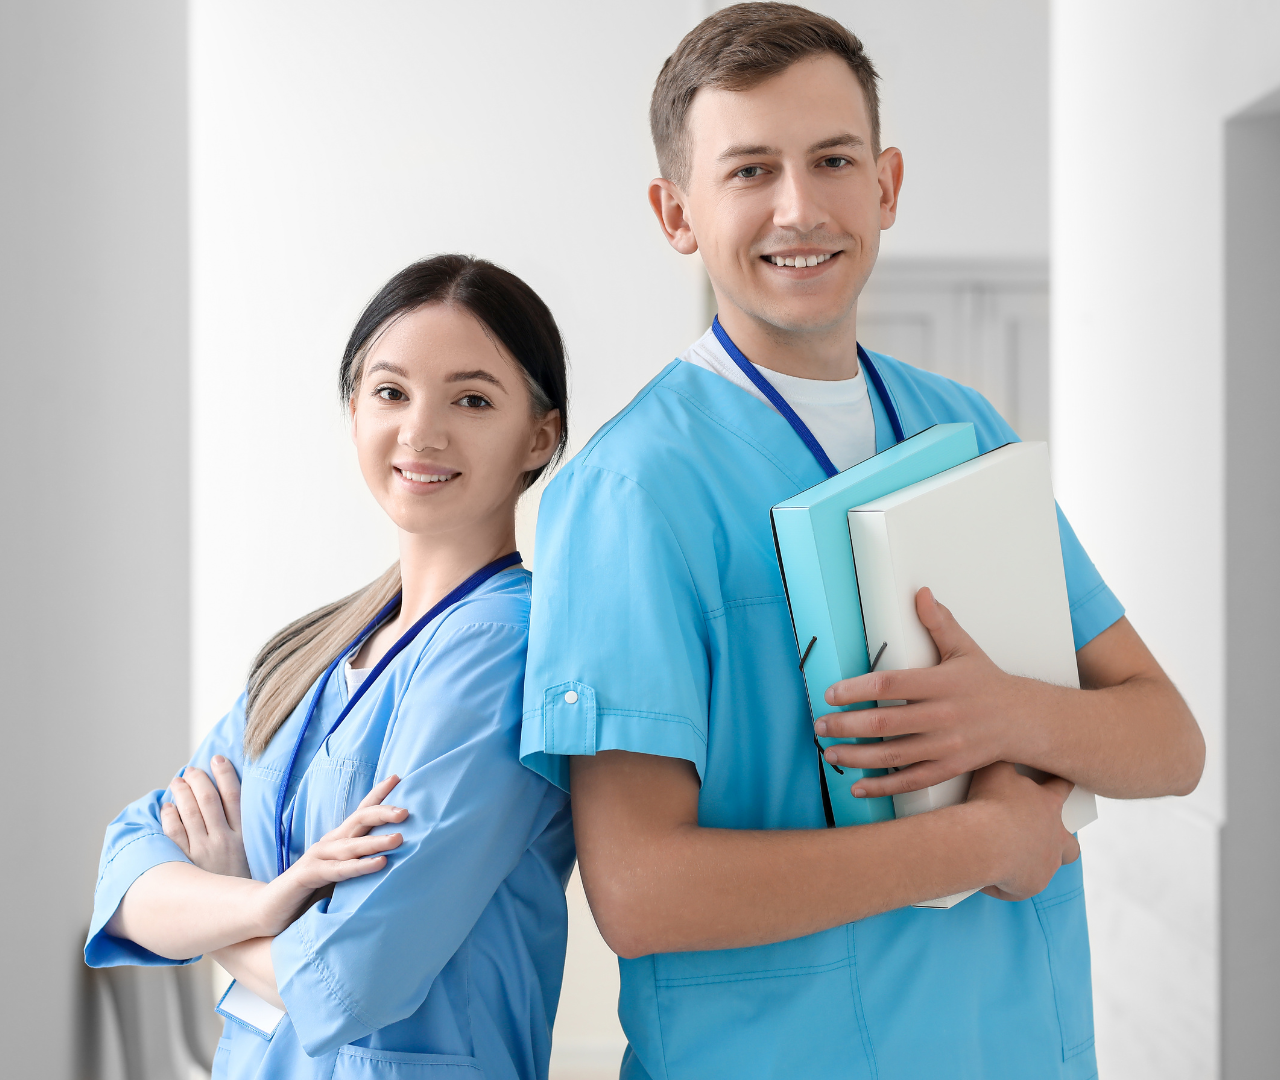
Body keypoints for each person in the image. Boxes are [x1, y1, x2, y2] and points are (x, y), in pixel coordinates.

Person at [520, 5, 1205, 1079]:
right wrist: (983, 841)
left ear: (883, 185)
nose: (799, 207)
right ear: (675, 212)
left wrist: (1010, 713)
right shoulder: (632, 490)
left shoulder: (960, 427)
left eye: (831, 159)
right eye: (748, 170)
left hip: (1018, 1045)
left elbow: (1168, 743)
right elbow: (639, 892)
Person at [86, 255, 575, 1080]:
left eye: (472, 398)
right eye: (390, 392)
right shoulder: (312, 651)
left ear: (540, 435)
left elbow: (350, 978)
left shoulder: (504, 649)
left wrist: (217, 909)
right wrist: (270, 902)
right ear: (353, 410)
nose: (421, 432)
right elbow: (128, 874)